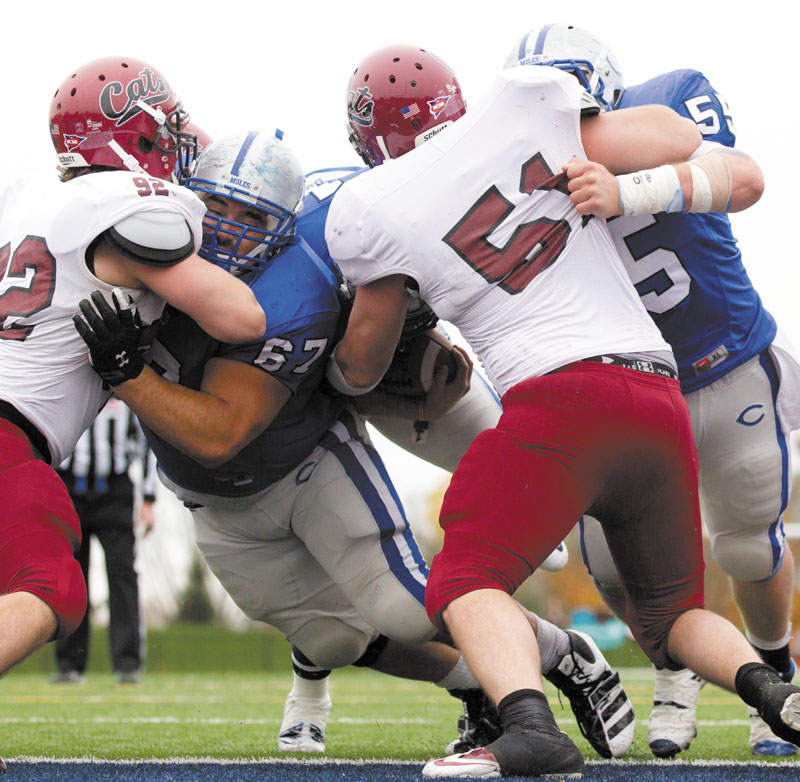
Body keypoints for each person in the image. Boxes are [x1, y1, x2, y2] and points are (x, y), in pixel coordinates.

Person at [73, 129, 635, 760]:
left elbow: (220, 433)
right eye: (217, 208)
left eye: (251, 216)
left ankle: (561, 653)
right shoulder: (145, 243)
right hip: (213, 503)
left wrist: (129, 375)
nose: (229, 229)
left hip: (309, 462)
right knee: (334, 640)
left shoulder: (291, 289)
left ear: (284, 226)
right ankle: (482, 679)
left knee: (406, 609)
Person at [323, 43, 800, 777]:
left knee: (464, 579)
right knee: (672, 617)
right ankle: (773, 691)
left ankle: (527, 727)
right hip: (655, 392)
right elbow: (676, 137)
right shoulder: (524, 101)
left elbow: (360, 366)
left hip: (559, 400)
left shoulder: (367, 206)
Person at [505, 22, 800, 758]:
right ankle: (674, 670)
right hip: (627, 394)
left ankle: (775, 672)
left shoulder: (667, 104)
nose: (556, 123)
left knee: (747, 549)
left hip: (726, 361)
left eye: (568, 103)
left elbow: (749, 178)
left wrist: (626, 189)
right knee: (611, 565)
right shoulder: (507, 169)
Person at [0, 54, 264, 692]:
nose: (175, 144)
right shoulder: (125, 202)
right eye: (163, 131)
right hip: (9, 439)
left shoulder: (29, 200)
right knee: (52, 585)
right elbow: (241, 317)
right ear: (133, 135)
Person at [51, 399, 155, 685]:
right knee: (70, 578)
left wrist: (148, 499)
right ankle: (69, 665)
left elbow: (147, 442)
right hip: (69, 488)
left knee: (123, 575)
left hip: (115, 490)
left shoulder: (127, 390)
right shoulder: (68, 389)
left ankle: (128, 664)